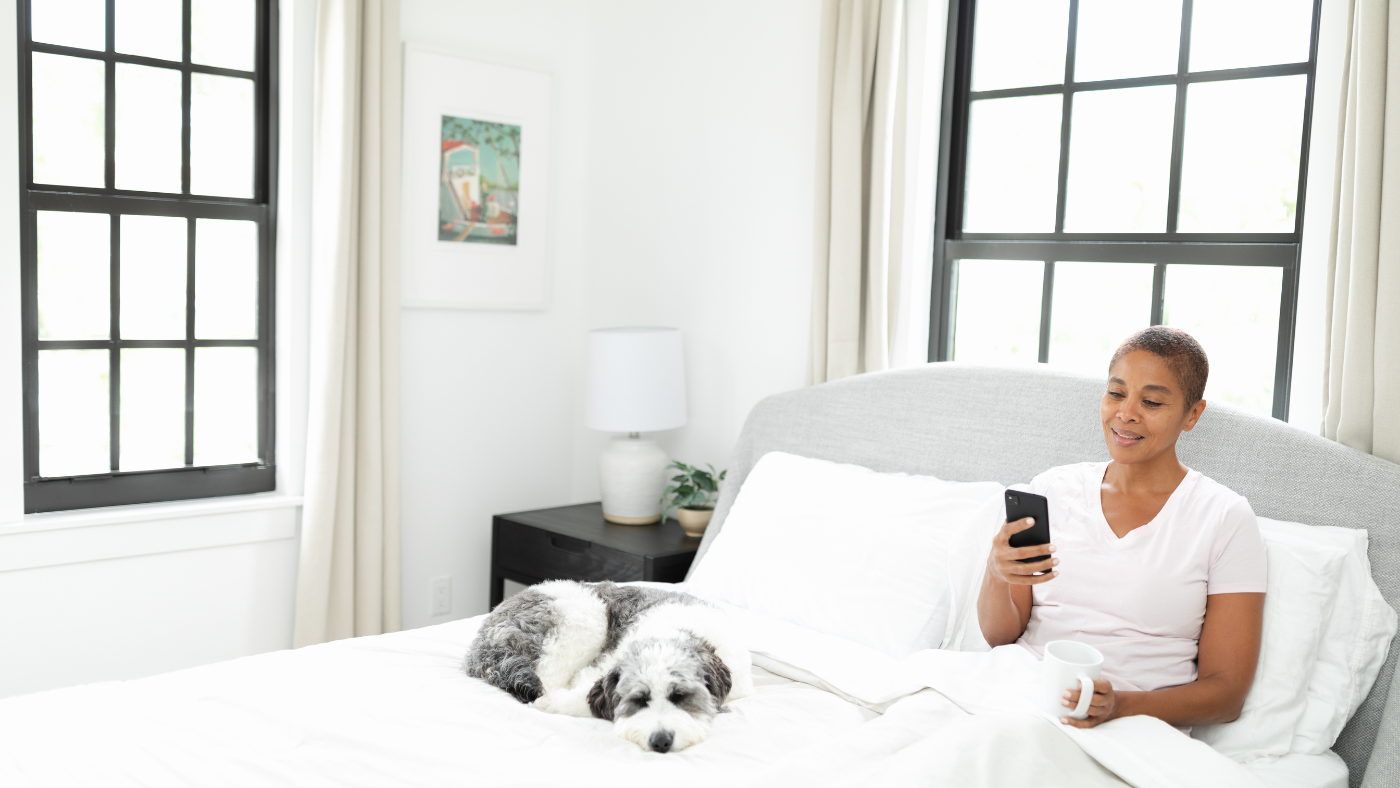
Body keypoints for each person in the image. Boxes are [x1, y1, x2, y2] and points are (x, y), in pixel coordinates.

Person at [976, 326, 1266, 729]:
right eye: (1116, 393)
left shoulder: (1224, 517)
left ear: (1192, 414)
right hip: (1016, 695)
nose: (1126, 413)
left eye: (1151, 402)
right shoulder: (1052, 490)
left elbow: (1227, 695)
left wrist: (1120, 706)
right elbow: (1000, 638)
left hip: (1126, 728)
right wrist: (996, 571)